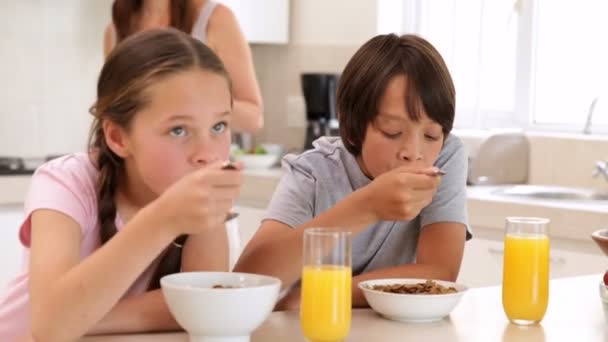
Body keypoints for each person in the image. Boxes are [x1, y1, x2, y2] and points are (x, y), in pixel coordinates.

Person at [0, 28, 242, 341]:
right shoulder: (66, 181)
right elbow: (50, 327)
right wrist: (163, 218)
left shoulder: (203, 195)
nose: (207, 154)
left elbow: (204, 307)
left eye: (219, 126)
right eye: (179, 130)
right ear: (117, 137)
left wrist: (83, 317)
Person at [234, 33, 472, 309]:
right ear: (352, 129)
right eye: (393, 132)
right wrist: (366, 206)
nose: (414, 151)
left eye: (431, 134)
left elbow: (440, 272)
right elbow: (248, 281)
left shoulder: (445, 157)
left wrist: (321, 294)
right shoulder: (313, 172)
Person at [104, 0, 263, 134]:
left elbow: (253, 118)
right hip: (135, 166)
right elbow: (110, 112)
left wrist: (192, 100)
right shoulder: (116, 29)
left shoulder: (215, 19)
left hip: (199, 164)